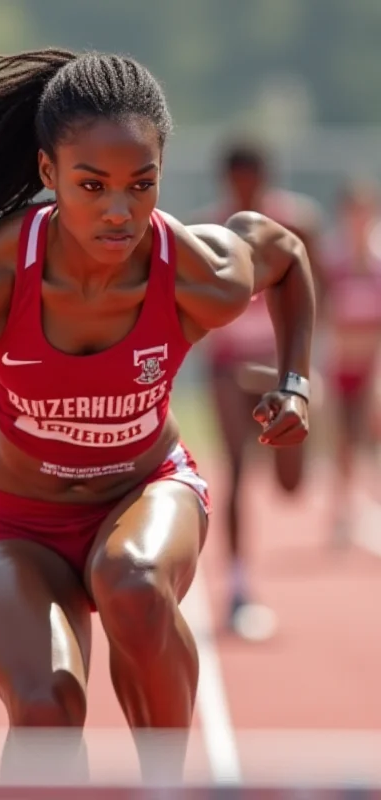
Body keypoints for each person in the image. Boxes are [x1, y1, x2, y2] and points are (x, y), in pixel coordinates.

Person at [0, 49, 314, 784]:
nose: (120, 211)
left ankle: (165, 786)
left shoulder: (194, 272)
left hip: (148, 491)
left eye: (140, 185)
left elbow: (282, 253)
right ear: (48, 174)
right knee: (47, 709)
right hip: (19, 524)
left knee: (132, 579)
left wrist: (297, 381)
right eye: (92, 186)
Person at [187, 137, 322, 641]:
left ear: (264, 179)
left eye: (252, 180)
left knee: (290, 483)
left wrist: (304, 370)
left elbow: (313, 293)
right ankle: (240, 587)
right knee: (237, 469)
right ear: (227, 182)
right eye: (236, 182)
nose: (244, 190)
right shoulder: (209, 229)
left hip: (276, 362)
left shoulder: (296, 223)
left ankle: (305, 426)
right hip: (227, 364)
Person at [319, 178, 381, 545]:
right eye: (352, 213)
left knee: (372, 433)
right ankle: (342, 510)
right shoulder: (333, 260)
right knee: (343, 441)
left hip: (372, 365)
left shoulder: (377, 262)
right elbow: (323, 316)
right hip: (340, 365)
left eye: (364, 212)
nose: (358, 220)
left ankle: (368, 504)